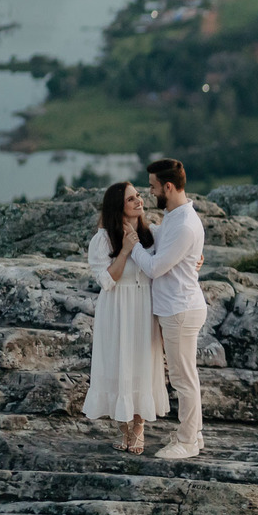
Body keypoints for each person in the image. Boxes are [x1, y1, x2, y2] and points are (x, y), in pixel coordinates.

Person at [125, 158, 208, 460]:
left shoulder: (184, 223)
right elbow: (163, 242)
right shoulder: (175, 216)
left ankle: (187, 441)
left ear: (168, 187)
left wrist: (132, 245)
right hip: (176, 307)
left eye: (153, 187)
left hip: (180, 310)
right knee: (185, 376)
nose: (150, 193)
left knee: (183, 379)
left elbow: (156, 267)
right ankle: (193, 434)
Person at [82, 181, 170, 455]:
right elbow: (107, 281)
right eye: (131, 199)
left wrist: (195, 259)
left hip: (144, 309)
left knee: (142, 364)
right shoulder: (103, 239)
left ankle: (139, 428)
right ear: (118, 207)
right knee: (119, 364)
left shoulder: (153, 234)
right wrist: (124, 250)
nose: (139, 201)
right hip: (117, 310)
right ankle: (122, 427)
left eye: (139, 196)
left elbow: (170, 260)